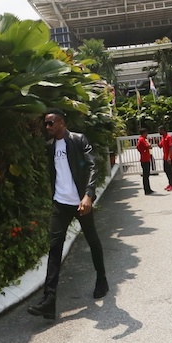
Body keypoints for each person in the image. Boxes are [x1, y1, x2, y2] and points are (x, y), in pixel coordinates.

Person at [28, 109, 108, 320]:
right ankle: (49, 301)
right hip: (60, 204)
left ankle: (102, 279)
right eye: (46, 124)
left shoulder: (79, 140)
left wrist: (88, 195)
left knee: (92, 240)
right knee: (54, 249)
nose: (47, 127)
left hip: (81, 203)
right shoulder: (50, 147)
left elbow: (92, 165)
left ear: (62, 123)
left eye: (50, 123)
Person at [158, 126, 172, 191]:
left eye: (159, 130)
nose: (159, 132)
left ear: (163, 130)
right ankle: (170, 183)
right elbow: (160, 146)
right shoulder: (163, 137)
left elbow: (171, 148)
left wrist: (169, 157)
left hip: (169, 156)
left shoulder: (169, 137)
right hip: (165, 156)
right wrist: (157, 141)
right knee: (166, 170)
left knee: (170, 171)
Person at [137, 129, 154, 195]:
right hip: (144, 159)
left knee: (147, 175)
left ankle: (148, 189)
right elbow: (148, 146)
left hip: (146, 158)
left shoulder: (143, 139)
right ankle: (147, 190)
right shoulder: (142, 139)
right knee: (146, 175)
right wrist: (150, 142)